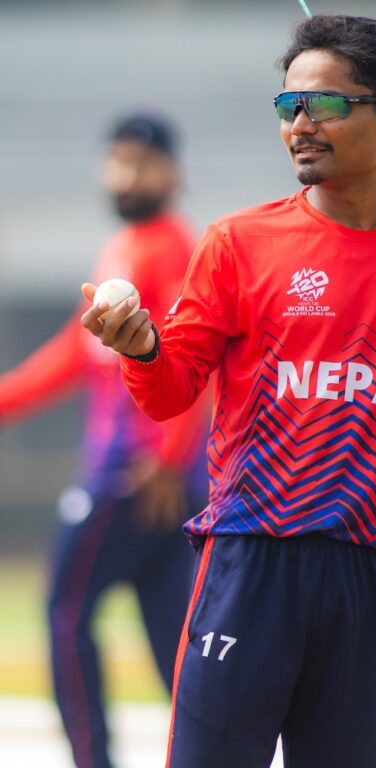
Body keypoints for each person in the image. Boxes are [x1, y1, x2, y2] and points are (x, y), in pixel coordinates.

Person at [81, 16, 376, 768]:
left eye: (323, 105)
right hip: (249, 566)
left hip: (372, 581)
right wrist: (142, 350)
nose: (300, 126)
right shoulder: (236, 243)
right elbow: (168, 391)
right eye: (288, 107)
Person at [0, 112, 210, 768]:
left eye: (141, 162)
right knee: (173, 640)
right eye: (117, 161)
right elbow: (77, 351)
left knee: (65, 609)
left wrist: (167, 460)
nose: (126, 175)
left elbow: (190, 357)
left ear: (172, 173)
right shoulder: (124, 247)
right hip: (150, 476)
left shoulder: (171, 247)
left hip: (134, 473)